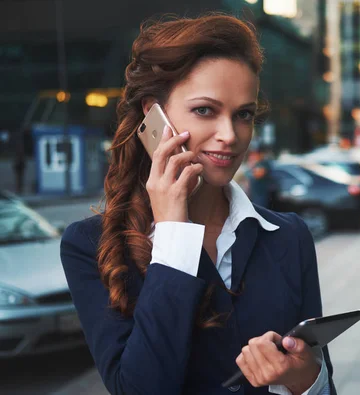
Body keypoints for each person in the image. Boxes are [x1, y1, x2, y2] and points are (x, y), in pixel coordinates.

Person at [60, 15, 335, 395]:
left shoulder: (289, 236)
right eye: (205, 110)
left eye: (244, 115)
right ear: (153, 115)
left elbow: (322, 382)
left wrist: (303, 378)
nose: (230, 136)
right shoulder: (90, 245)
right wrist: (174, 233)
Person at [246, 143, 276, 208]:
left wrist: (253, 166)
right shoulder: (257, 163)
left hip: (261, 194)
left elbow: (258, 174)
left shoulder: (264, 163)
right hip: (254, 193)